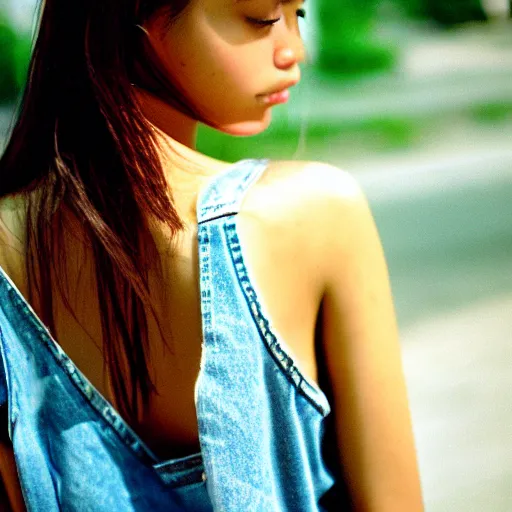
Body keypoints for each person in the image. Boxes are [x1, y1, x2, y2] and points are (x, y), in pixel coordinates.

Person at [0, 0, 424, 510]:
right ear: (135, 14)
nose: (295, 51)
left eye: (299, 16)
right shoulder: (311, 211)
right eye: (263, 19)